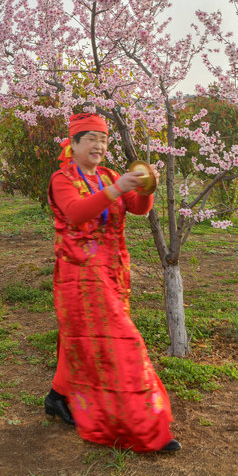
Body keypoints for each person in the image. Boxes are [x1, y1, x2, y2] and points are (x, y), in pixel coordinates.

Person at [44, 112, 180, 453]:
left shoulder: (108, 174)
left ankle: (57, 397)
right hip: (80, 275)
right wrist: (118, 188)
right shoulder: (62, 180)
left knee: (81, 339)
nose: (99, 145)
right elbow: (75, 212)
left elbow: (137, 208)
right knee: (123, 342)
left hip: (112, 272)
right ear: (73, 144)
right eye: (90, 138)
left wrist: (147, 186)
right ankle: (145, 426)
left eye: (103, 140)